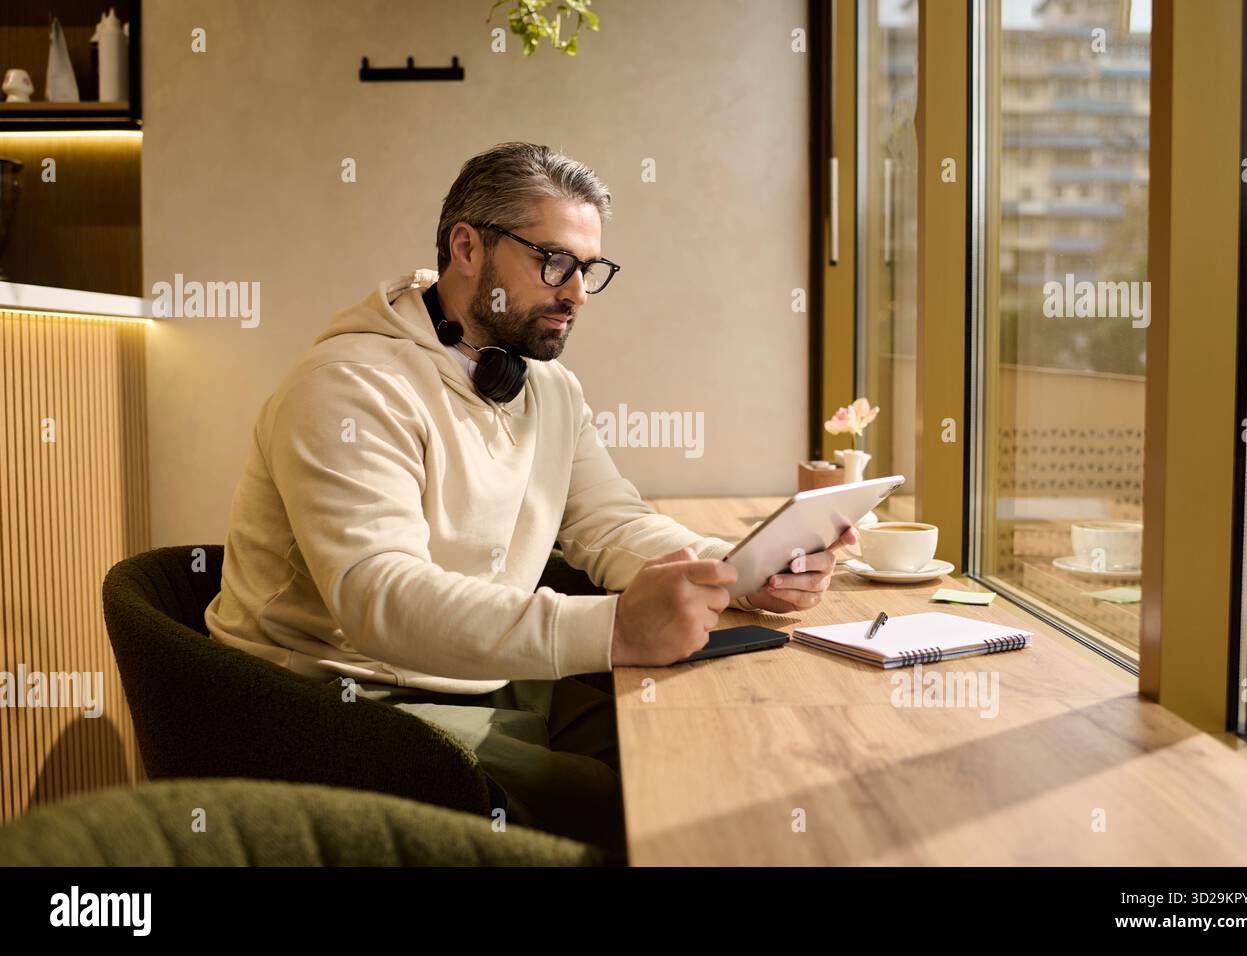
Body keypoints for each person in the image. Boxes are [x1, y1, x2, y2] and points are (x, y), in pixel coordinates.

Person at [204, 142, 855, 856]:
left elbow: (608, 524)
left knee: (719, 757)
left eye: (590, 269)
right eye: (555, 263)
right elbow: (378, 599)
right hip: (347, 713)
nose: (576, 292)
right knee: (655, 810)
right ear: (467, 247)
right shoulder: (348, 387)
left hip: (492, 684)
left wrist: (742, 567)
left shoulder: (543, 386)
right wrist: (613, 628)